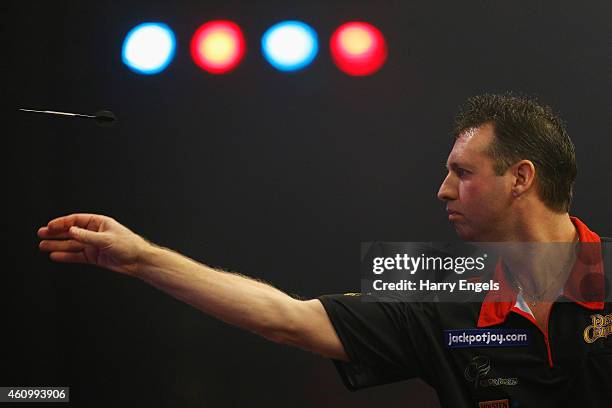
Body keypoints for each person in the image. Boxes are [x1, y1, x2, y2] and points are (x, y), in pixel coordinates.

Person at [37, 94, 611, 408]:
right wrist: (140, 258)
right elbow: (287, 318)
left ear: (521, 178)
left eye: (462, 173)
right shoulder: (442, 286)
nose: (442, 190)